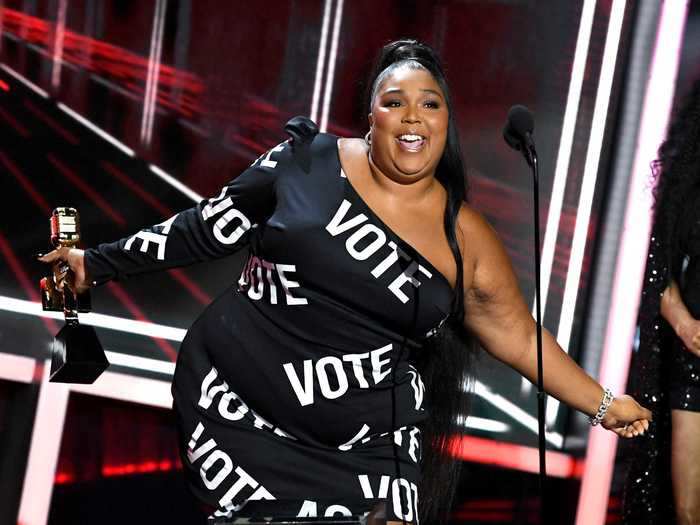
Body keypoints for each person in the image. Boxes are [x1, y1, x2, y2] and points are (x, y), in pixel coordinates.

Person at [40, 40, 651, 523]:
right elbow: (206, 228)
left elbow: (517, 335)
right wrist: (97, 262)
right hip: (242, 416)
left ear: (446, 122)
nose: (413, 116)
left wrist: (601, 403)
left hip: (370, 449)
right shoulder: (304, 161)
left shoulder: (465, 236)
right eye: (395, 101)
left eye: (430, 103)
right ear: (370, 116)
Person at [624, 79, 700, 525]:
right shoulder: (688, 176)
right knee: (687, 508)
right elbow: (657, 265)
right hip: (693, 357)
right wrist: (685, 323)